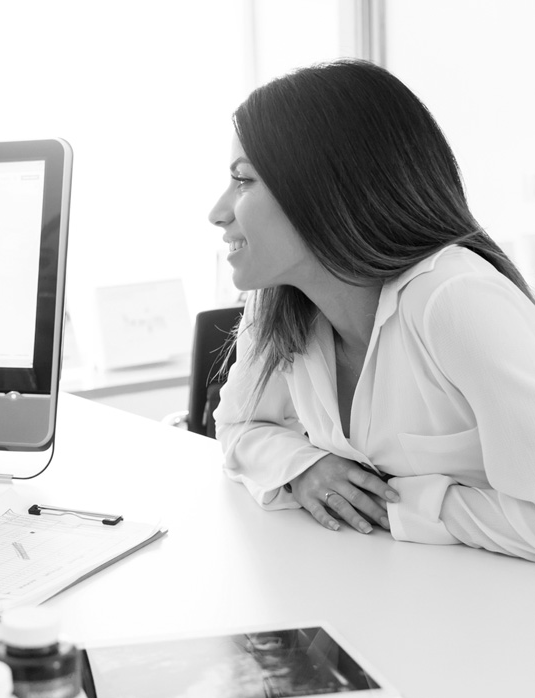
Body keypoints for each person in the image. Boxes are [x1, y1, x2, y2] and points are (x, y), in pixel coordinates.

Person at [209, 59, 535, 563]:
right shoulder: (279, 304)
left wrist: (409, 504)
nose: (218, 212)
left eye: (244, 181)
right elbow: (237, 427)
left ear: (325, 188)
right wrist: (302, 467)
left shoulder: (455, 300)